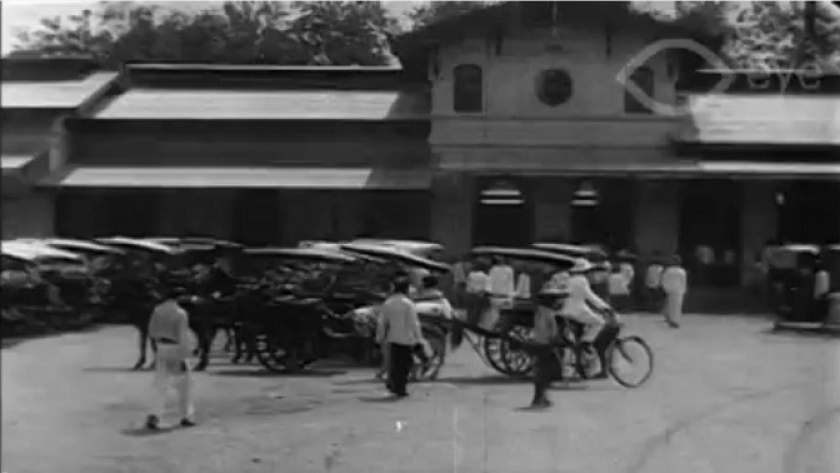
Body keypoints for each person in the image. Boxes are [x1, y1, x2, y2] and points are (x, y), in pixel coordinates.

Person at [145, 287, 195, 430]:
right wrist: (187, 353)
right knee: (184, 384)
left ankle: (154, 414)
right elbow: (182, 336)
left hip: (161, 346)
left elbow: (152, 331)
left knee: (160, 383)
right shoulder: (180, 313)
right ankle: (186, 416)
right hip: (176, 348)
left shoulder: (157, 310)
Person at [376, 278, 424, 398]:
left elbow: (382, 322)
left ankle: (394, 385)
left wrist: (379, 338)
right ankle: (400, 388)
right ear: (406, 289)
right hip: (407, 338)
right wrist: (419, 338)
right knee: (404, 364)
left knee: (395, 363)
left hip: (392, 338)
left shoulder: (388, 303)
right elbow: (414, 323)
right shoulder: (408, 304)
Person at [559, 258, 607, 350]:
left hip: (563, 311)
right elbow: (591, 297)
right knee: (599, 322)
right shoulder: (581, 280)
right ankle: (586, 343)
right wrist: (605, 307)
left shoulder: (567, 279)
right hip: (577, 311)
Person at [530, 290, 561, 409]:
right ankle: (539, 398)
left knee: (540, 372)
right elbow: (552, 331)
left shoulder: (539, 311)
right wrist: (555, 339)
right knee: (545, 373)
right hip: (546, 345)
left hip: (538, 343)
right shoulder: (549, 313)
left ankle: (541, 398)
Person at [485, 256, 516, 330]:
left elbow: (510, 284)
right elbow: (510, 284)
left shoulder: (508, 270)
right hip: (499, 297)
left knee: (498, 320)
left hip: (500, 297)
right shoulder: (494, 270)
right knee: (497, 320)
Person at [661, 255, 688, 328]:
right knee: (677, 305)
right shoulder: (682, 271)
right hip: (678, 290)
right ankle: (675, 320)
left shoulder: (668, 270)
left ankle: (671, 319)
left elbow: (664, 280)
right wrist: (684, 289)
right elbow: (683, 281)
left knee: (670, 304)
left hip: (670, 289)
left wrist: (665, 288)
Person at [464, 259, 489, 326]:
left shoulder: (471, 274)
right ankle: (473, 325)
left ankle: (468, 323)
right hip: (479, 295)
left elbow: (468, 283)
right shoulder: (485, 277)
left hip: (469, 294)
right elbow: (486, 288)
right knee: (476, 311)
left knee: (469, 310)